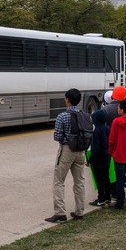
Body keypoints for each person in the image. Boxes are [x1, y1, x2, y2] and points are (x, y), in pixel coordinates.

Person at [45, 88, 87, 223]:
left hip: (67, 150)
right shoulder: (84, 115)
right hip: (81, 151)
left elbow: (57, 136)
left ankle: (60, 212)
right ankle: (79, 210)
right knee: (79, 181)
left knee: (59, 181)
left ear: (67, 100)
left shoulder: (62, 116)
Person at [87, 109, 111, 207]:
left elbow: (95, 148)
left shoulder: (96, 131)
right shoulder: (107, 128)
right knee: (106, 178)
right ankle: (108, 197)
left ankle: (101, 198)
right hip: (107, 158)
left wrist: (90, 160)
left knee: (99, 180)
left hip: (98, 160)